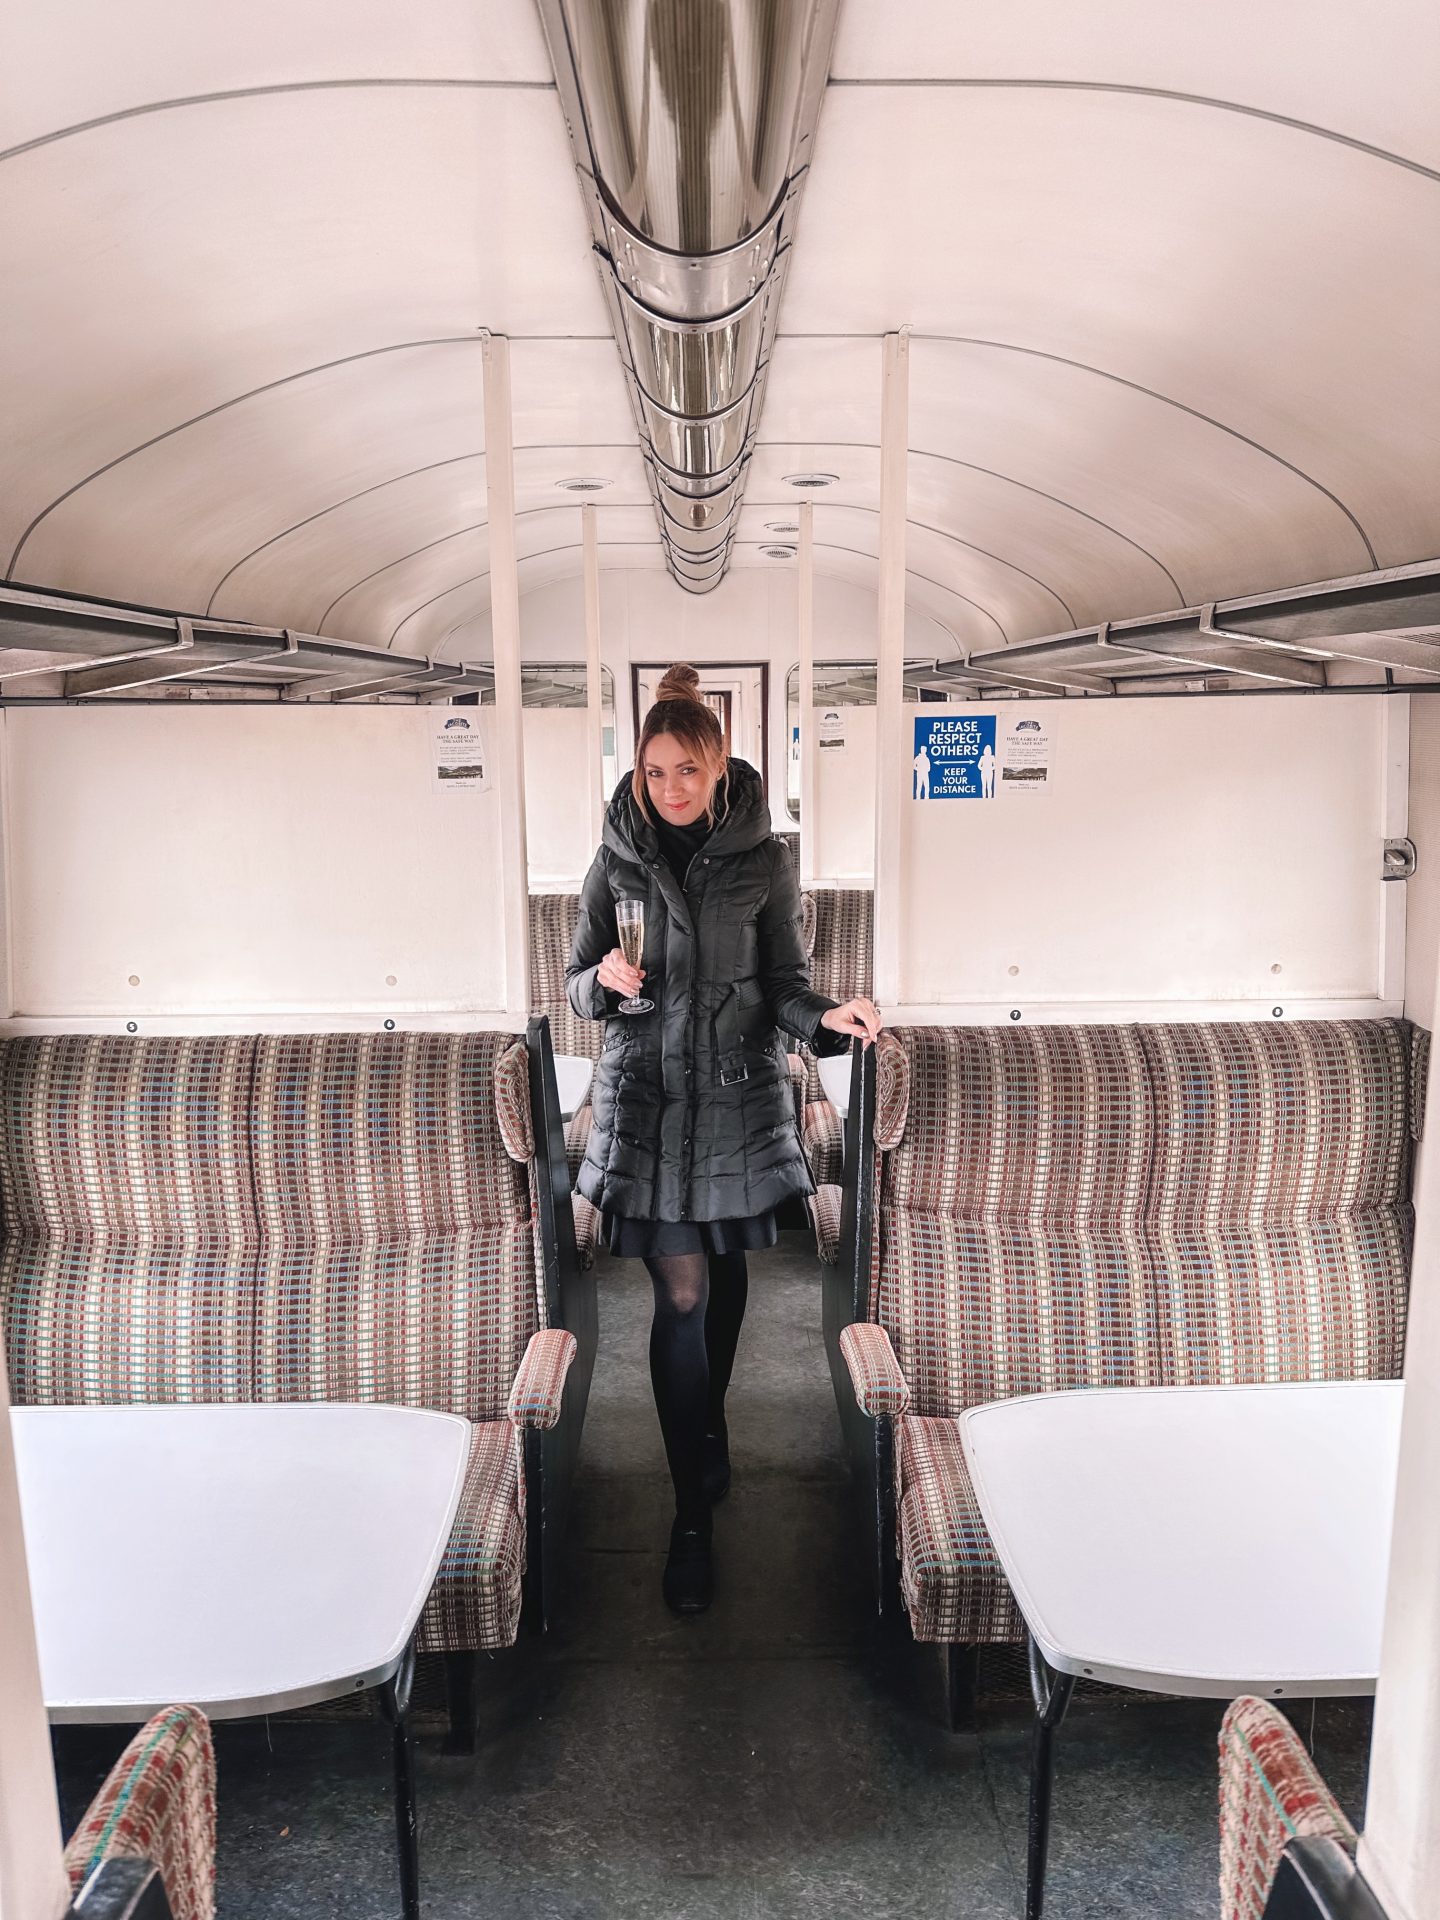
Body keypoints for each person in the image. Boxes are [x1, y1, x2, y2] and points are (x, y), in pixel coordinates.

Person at [566, 664, 883, 1615]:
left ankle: (710, 1436)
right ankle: (690, 1508)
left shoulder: (765, 860)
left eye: (687, 772)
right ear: (637, 771)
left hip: (739, 1096)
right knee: (683, 1290)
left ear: (718, 765)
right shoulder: (614, 855)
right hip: (650, 1099)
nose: (670, 789)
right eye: (655, 771)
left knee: (729, 1272)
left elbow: (787, 985)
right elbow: (577, 975)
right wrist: (604, 986)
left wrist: (832, 1021)